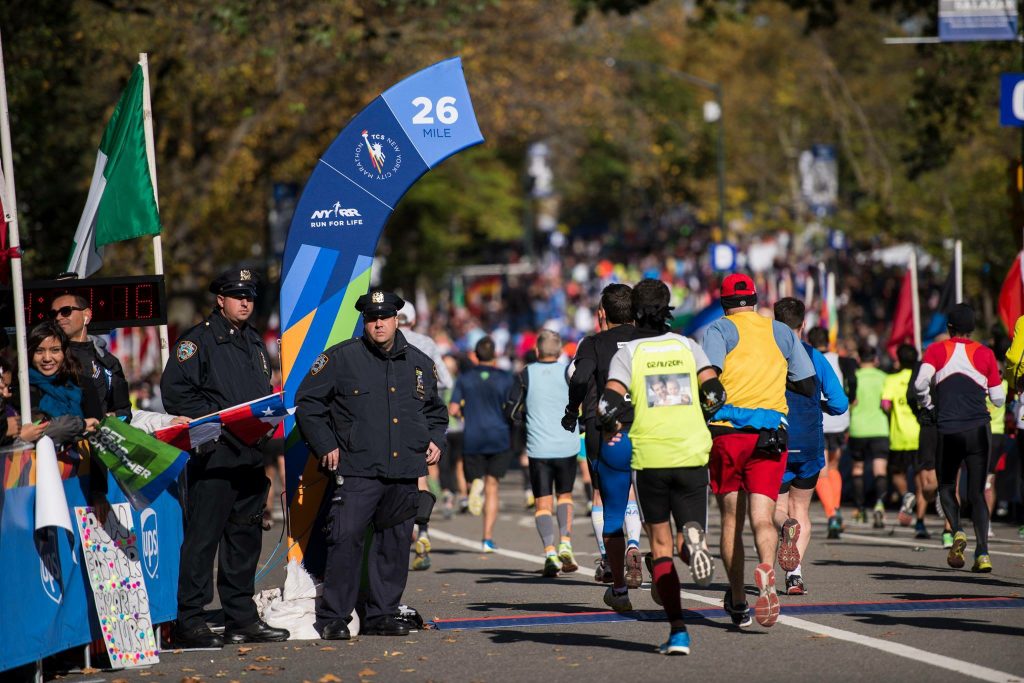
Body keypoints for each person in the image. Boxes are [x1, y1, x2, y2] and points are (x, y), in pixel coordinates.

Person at [295, 289, 447, 639]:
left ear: (397, 319)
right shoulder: (341, 358)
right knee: (345, 541)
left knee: (394, 545)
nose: (378, 324)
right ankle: (334, 616)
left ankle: (383, 613)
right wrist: (325, 444)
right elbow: (308, 404)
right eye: (371, 318)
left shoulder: (420, 363)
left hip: (405, 470)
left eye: (384, 317)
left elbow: (436, 413)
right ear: (365, 321)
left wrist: (437, 440)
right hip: (358, 468)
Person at [161, 268, 289, 648]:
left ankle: (241, 618)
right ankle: (191, 619)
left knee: (244, 541)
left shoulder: (253, 341)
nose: (245, 301)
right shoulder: (198, 342)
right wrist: (220, 419)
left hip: (249, 456)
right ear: (220, 300)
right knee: (203, 541)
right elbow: (177, 393)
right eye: (237, 295)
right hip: (214, 456)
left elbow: (260, 392)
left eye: (249, 295)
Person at [599, 279, 720, 655]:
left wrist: (615, 424)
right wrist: (698, 413)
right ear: (668, 309)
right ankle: (695, 541)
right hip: (692, 452)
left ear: (634, 312)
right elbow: (715, 394)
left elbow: (606, 405)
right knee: (685, 537)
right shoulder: (689, 346)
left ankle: (679, 632)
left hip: (651, 456)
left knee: (662, 548)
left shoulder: (629, 354)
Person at [701, 273, 816, 629]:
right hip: (772, 433)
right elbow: (808, 383)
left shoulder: (719, 330)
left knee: (731, 522)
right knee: (763, 518)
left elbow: (710, 379)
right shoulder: (780, 331)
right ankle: (767, 570)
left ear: (723, 304)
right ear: (754, 299)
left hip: (729, 433)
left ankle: (737, 600)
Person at [564, 282, 655, 593]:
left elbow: (578, 377)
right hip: (646, 428)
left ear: (602, 313)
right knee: (643, 494)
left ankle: (610, 565)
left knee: (603, 495)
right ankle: (638, 547)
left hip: (606, 429)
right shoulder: (650, 340)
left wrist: (571, 408)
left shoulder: (592, 344)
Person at [914, 303, 1004, 572]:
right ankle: (984, 553)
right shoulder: (985, 353)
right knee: (977, 492)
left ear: (949, 328)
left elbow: (920, 384)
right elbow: (998, 399)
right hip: (978, 429)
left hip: (948, 428)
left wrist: (928, 403)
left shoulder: (937, 350)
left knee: (946, 486)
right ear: (973, 329)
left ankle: (958, 531)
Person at [771, 299, 848, 596]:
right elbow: (840, 404)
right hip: (809, 441)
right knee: (802, 507)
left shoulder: (766, 356)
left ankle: (785, 526)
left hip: (776, 440)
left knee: (776, 510)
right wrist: (821, 406)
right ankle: (795, 576)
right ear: (803, 325)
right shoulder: (815, 356)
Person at [506, 329, 581, 576]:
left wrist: (527, 418)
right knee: (566, 496)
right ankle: (566, 543)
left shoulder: (526, 373)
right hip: (567, 444)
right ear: (559, 351)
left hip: (539, 448)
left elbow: (511, 410)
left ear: (537, 350)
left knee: (542, 503)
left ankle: (550, 553)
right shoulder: (568, 371)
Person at [398, 302, 454, 571]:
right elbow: (445, 380)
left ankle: (401, 535)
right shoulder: (426, 342)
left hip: (390, 419)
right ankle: (422, 532)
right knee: (421, 476)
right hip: (419, 418)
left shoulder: (378, 341)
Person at [449, 336, 515, 551]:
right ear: (494, 355)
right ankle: (487, 538)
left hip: (473, 436)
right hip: (498, 435)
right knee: (493, 488)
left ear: (476, 356)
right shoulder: (506, 378)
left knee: (474, 477)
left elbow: (453, 409)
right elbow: (513, 407)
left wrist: (463, 418)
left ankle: (473, 486)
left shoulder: (465, 378)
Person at [808, 327, 856, 539]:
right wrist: (852, 397)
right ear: (828, 340)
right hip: (840, 421)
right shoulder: (844, 361)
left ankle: (831, 514)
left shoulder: (808, 357)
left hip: (819, 420)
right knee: (834, 467)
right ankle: (835, 509)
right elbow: (853, 382)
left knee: (822, 471)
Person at [26, 321, 99, 445]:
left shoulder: (82, 383)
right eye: (39, 351)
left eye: (55, 350)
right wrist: (80, 425)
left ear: (65, 353)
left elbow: (97, 425)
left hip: (83, 461)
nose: (47, 358)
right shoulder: (21, 389)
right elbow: (37, 431)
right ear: (29, 353)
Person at [881, 345, 923, 530]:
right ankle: (920, 521)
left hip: (899, 436)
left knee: (897, 473)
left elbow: (885, 405)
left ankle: (906, 495)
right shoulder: (921, 378)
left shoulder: (891, 379)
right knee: (921, 478)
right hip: (920, 435)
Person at [848, 345, 890, 528]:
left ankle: (860, 508)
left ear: (859, 359)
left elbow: (849, 402)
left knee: (857, 468)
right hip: (880, 428)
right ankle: (880, 504)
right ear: (875, 359)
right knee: (880, 468)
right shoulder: (884, 378)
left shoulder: (853, 377)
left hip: (858, 428)